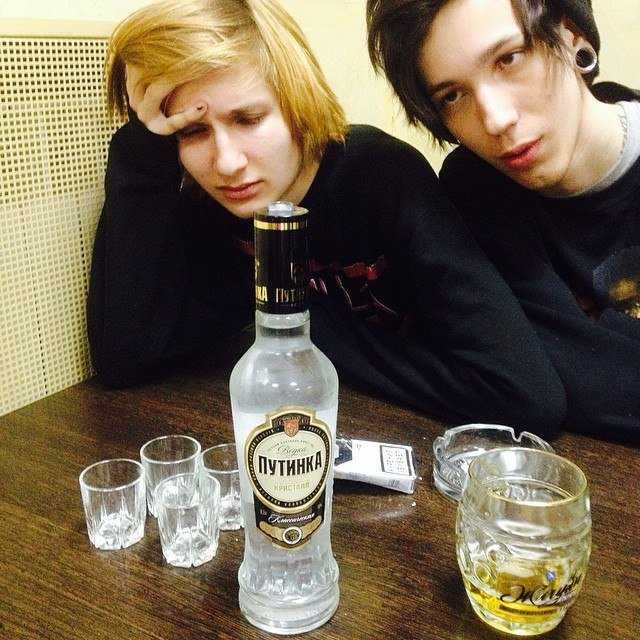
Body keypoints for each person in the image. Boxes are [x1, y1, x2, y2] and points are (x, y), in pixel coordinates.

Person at [88, 0, 566, 436]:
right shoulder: (209, 204)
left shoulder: (380, 176)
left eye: (249, 119)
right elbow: (125, 359)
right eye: (192, 131)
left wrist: (305, 334)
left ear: (297, 101)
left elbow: (525, 397)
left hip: (421, 448)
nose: (227, 163)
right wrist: (141, 158)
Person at [367, 0, 640, 443]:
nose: (495, 120)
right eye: (452, 95)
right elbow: (574, 388)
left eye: (509, 59)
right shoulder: (478, 188)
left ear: (573, 34)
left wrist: (598, 336)